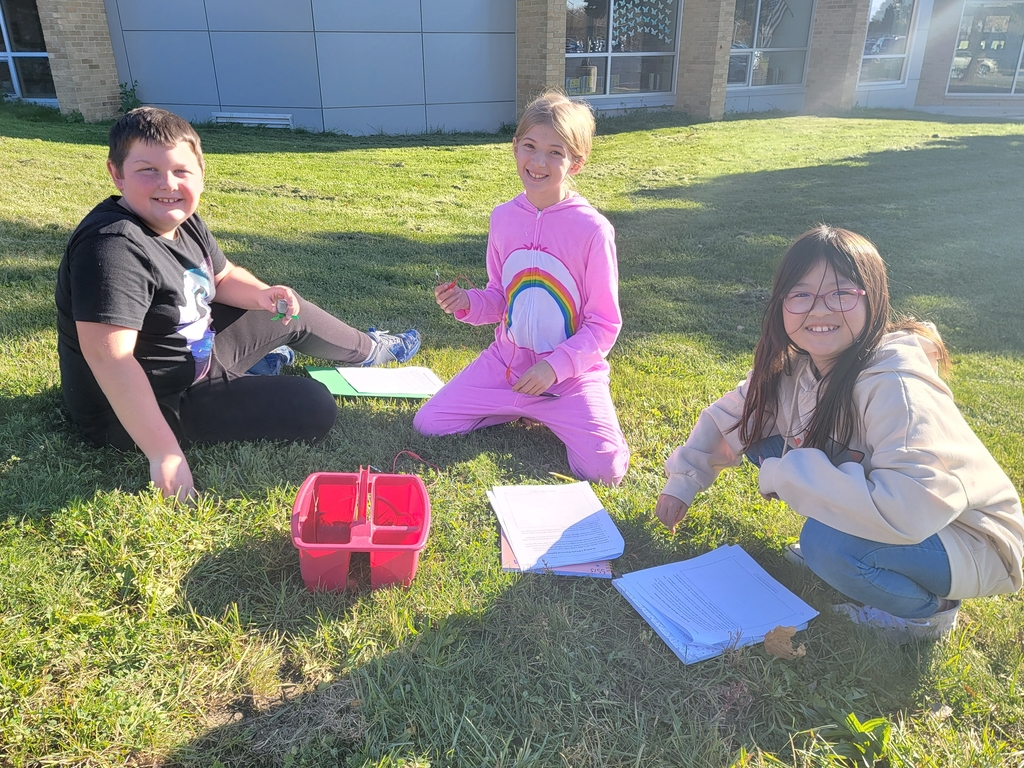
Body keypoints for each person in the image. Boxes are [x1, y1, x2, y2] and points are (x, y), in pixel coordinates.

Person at [655, 226, 1023, 642]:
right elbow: (732, 419)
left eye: (841, 293)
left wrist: (783, 473)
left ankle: (928, 614)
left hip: (969, 538)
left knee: (827, 546)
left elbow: (910, 510)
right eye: (800, 294)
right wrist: (682, 483)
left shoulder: (896, 385)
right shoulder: (796, 364)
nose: (819, 310)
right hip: (905, 510)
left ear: (874, 298)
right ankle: (848, 543)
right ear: (780, 305)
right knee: (764, 437)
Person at [56, 107, 421, 501]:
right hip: (146, 404)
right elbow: (111, 359)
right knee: (313, 406)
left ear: (200, 172)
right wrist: (164, 453)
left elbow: (223, 277)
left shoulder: (182, 219)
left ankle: (368, 351)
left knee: (286, 309)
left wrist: (263, 295)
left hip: (193, 355)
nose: (168, 183)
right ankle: (258, 371)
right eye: (148, 170)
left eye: (182, 171)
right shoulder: (112, 246)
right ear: (117, 173)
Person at [413, 91, 629, 485]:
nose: (539, 161)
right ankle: (514, 405)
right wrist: (466, 302)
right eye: (529, 146)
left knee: (605, 470)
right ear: (515, 149)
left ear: (577, 163)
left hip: (569, 379)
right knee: (430, 422)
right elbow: (500, 297)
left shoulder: (593, 231)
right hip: (506, 366)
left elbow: (603, 325)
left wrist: (555, 367)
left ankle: (545, 408)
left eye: (555, 152)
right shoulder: (503, 218)